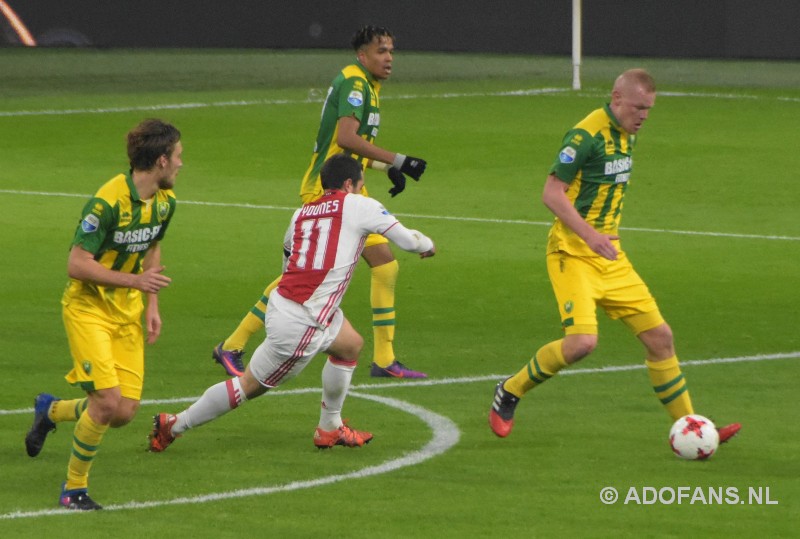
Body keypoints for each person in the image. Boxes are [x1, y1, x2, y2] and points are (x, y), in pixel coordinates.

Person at [488, 69, 741, 447]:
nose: (643, 116)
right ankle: (509, 390)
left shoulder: (628, 134)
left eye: (649, 110)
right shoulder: (584, 136)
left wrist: (603, 241)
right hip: (572, 253)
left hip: (611, 257)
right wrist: (590, 236)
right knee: (582, 344)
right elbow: (551, 194)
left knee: (660, 338)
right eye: (638, 107)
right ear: (617, 98)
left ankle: (692, 426)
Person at [149, 154, 435, 453]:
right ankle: (174, 424)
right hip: (303, 322)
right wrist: (428, 246)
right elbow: (409, 241)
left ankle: (330, 428)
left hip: (292, 303)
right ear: (350, 184)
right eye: (361, 185)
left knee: (349, 345)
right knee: (248, 386)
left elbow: (288, 254)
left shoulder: (302, 213)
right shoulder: (360, 204)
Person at [212, 25, 430, 380]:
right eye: (381, 51)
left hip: (348, 190)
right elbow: (345, 138)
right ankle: (233, 345)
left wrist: (382, 166)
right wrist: (398, 159)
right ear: (362, 56)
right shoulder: (356, 84)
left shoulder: (366, 85)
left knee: (385, 265)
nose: (389, 58)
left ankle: (385, 360)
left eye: (391, 50)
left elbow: (344, 145)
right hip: (325, 192)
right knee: (297, 278)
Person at [24, 119, 182, 510]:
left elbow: (152, 248)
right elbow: (76, 264)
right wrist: (135, 285)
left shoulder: (165, 202)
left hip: (127, 311)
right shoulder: (107, 202)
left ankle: (51, 410)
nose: (182, 164)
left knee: (123, 412)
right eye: (178, 157)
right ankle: (73, 489)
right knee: (107, 402)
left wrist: (152, 304)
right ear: (161, 160)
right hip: (88, 308)